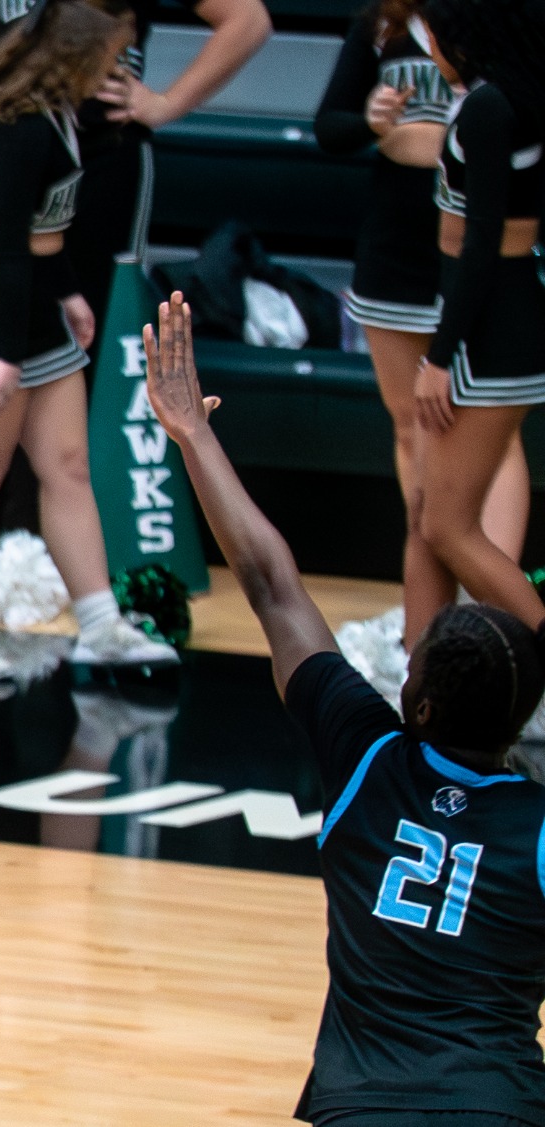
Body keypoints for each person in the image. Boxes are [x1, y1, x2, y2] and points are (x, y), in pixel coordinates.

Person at [142, 290, 545, 1127]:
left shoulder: (365, 758)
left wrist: (195, 436)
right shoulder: (536, 828)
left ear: (416, 699)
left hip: (360, 1108)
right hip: (498, 1105)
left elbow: (269, 582)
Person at [0, 0, 269, 575]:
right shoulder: (13, 127)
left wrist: (166, 103)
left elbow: (249, 18)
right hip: (17, 151)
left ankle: (76, 550)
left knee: (76, 356)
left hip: (105, 163)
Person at [0, 0, 179, 680]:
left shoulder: (61, 116)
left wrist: (69, 294)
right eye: (113, 58)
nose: (120, 69)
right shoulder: (23, 128)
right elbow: (2, 251)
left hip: (33, 309)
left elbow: (42, 230)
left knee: (69, 467)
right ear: (78, 59)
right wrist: (7, 359)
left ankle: (100, 625)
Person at [315, 0, 528, 648]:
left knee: (486, 445)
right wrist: (371, 123)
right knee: (413, 434)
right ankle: (429, 636)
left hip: (477, 258)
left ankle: (494, 602)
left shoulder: (497, 46)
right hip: (399, 247)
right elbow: (331, 126)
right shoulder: (379, 23)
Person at [413, 0, 545, 634]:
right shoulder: (506, 98)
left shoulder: (492, 108)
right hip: (496, 322)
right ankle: (425, 678)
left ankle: (537, 656)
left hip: (492, 332)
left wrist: (439, 357)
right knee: (430, 518)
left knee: (447, 526)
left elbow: (482, 242)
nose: (426, 42)